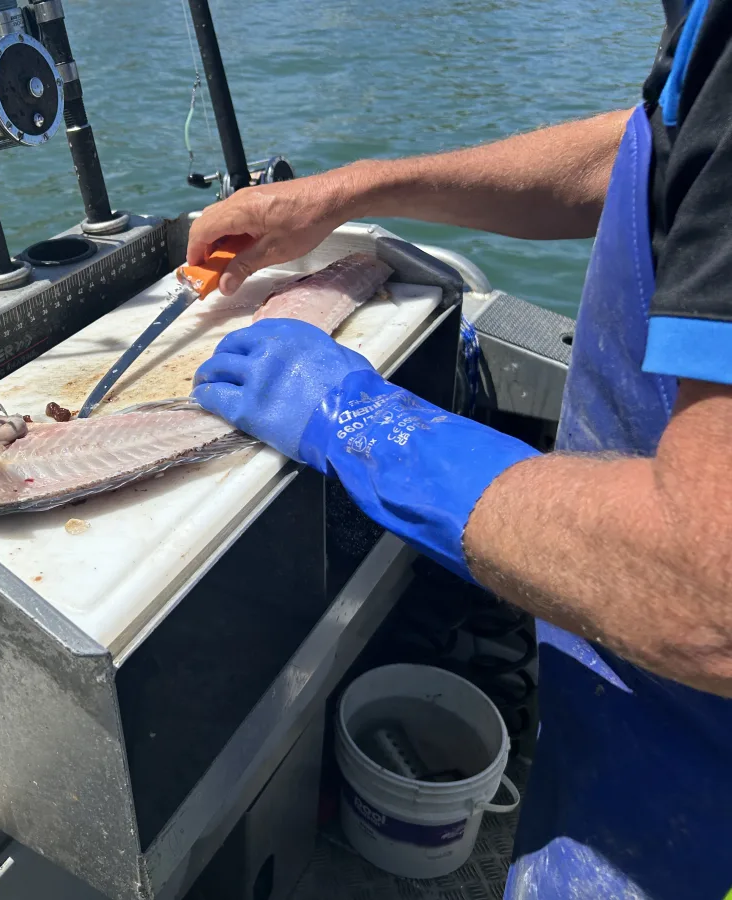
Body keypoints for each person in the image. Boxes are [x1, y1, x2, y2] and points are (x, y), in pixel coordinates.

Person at [186, 3, 732, 898]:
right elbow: (648, 160)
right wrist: (352, 191)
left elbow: (708, 591)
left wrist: (360, 423)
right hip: (627, 717)